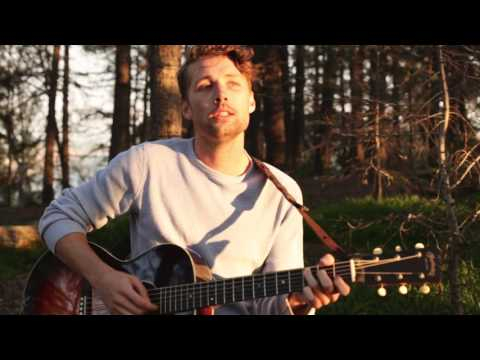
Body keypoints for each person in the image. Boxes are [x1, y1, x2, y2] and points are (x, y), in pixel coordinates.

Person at [39, 45, 350, 315]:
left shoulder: (281, 192)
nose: (221, 94)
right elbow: (57, 217)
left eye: (233, 84)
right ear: (186, 107)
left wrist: (298, 300)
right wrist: (102, 278)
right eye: (205, 86)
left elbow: (271, 305)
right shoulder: (148, 163)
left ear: (251, 102)